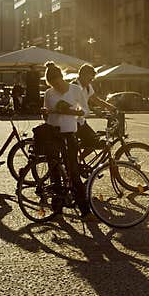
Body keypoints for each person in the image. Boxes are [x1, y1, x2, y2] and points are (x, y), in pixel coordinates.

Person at [42, 62, 91, 217]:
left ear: (62, 78)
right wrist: (46, 112)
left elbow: (85, 111)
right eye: (52, 84)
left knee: (73, 172)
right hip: (52, 133)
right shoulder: (49, 93)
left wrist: (71, 112)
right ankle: (56, 208)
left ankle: (85, 211)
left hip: (69, 133)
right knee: (54, 171)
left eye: (57, 83)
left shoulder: (75, 90)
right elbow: (46, 114)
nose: (56, 86)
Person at [74, 63, 115, 158]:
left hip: (81, 121)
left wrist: (111, 107)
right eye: (89, 78)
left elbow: (96, 100)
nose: (91, 80)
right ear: (82, 75)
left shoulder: (88, 87)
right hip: (73, 122)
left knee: (94, 141)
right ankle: (73, 162)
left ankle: (78, 160)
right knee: (92, 141)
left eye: (92, 79)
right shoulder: (74, 86)